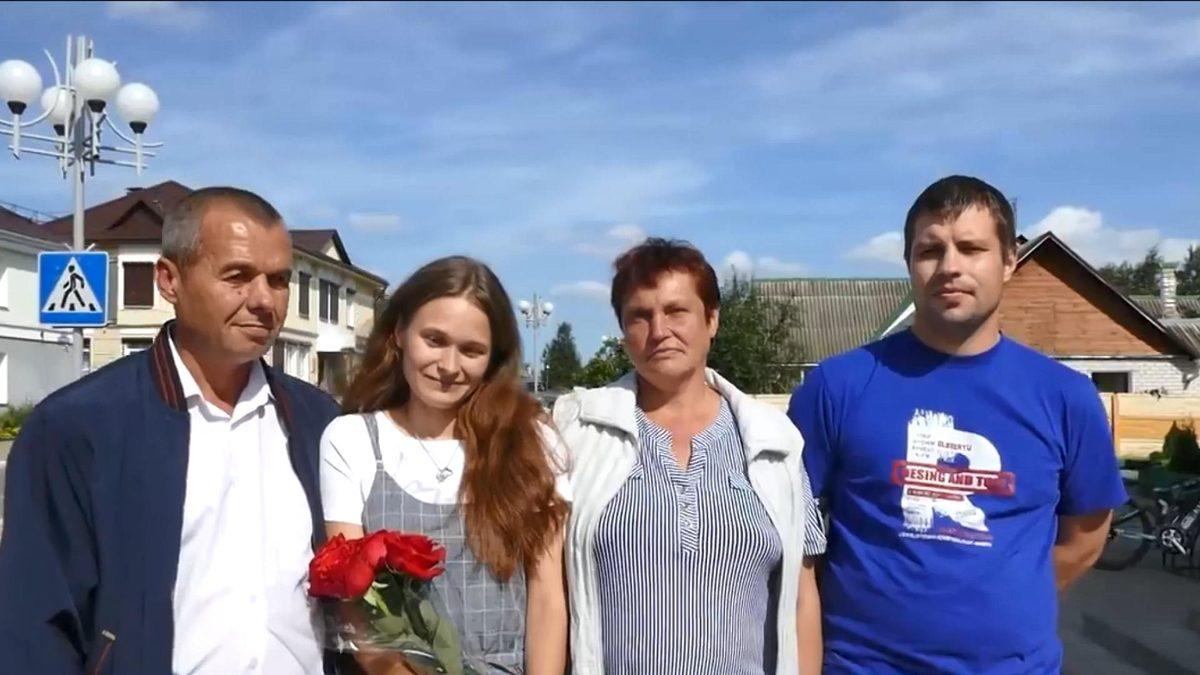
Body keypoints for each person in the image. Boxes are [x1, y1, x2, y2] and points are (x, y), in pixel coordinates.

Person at [788, 175, 1126, 673]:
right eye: (930, 251)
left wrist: (1003, 602)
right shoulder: (837, 387)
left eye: (971, 248)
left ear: (1009, 260)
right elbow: (790, 535)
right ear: (909, 263)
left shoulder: (1067, 398)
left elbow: (1086, 538)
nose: (950, 267)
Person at [0, 188, 340, 674]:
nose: (265, 300)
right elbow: (35, 627)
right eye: (237, 276)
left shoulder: (319, 422)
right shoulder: (77, 427)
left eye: (279, 280)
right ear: (169, 280)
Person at [553, 238, 825, 675]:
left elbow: (801, 598)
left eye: (676, 311)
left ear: (712, 319)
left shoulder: (774, 442)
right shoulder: (580, 433)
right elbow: (550, 591)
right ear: (623, 333)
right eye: (640, 316)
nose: (659, 330)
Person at [320, 256, 570, 675]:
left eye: (471, 350)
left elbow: (546, 599)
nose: (450, 366)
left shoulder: (532, 442)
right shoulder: (352, 440)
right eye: (434, 340)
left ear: (493, 358)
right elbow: (355, 604)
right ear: (400, 333)